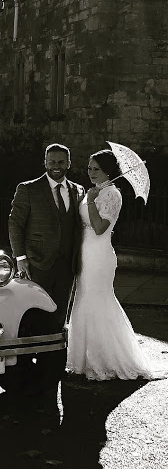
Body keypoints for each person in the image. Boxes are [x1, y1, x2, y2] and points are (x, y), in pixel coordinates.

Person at [67, 149, 165, 380]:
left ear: (108, 171)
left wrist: (90, 202)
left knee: (97, 300)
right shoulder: (94, 191)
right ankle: (83, 359)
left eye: (96, 169)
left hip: (99, 255)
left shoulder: (112, 194)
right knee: (83, 299)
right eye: (89, 168)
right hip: (84, 252)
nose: (91, 172)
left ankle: (107, 359)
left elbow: (100, 227)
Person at [9, 143, 86, 329]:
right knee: (33, 313)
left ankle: (53, 356)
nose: (56, 166)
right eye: (51, 161)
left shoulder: (78, 190)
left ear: (69, 163)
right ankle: (30, 355)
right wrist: (21, 257)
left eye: (61, 161)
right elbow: (15, 223)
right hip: (37, 262)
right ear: (45, 162)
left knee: (59, 315)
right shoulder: (28, 189)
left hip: (68, 264)